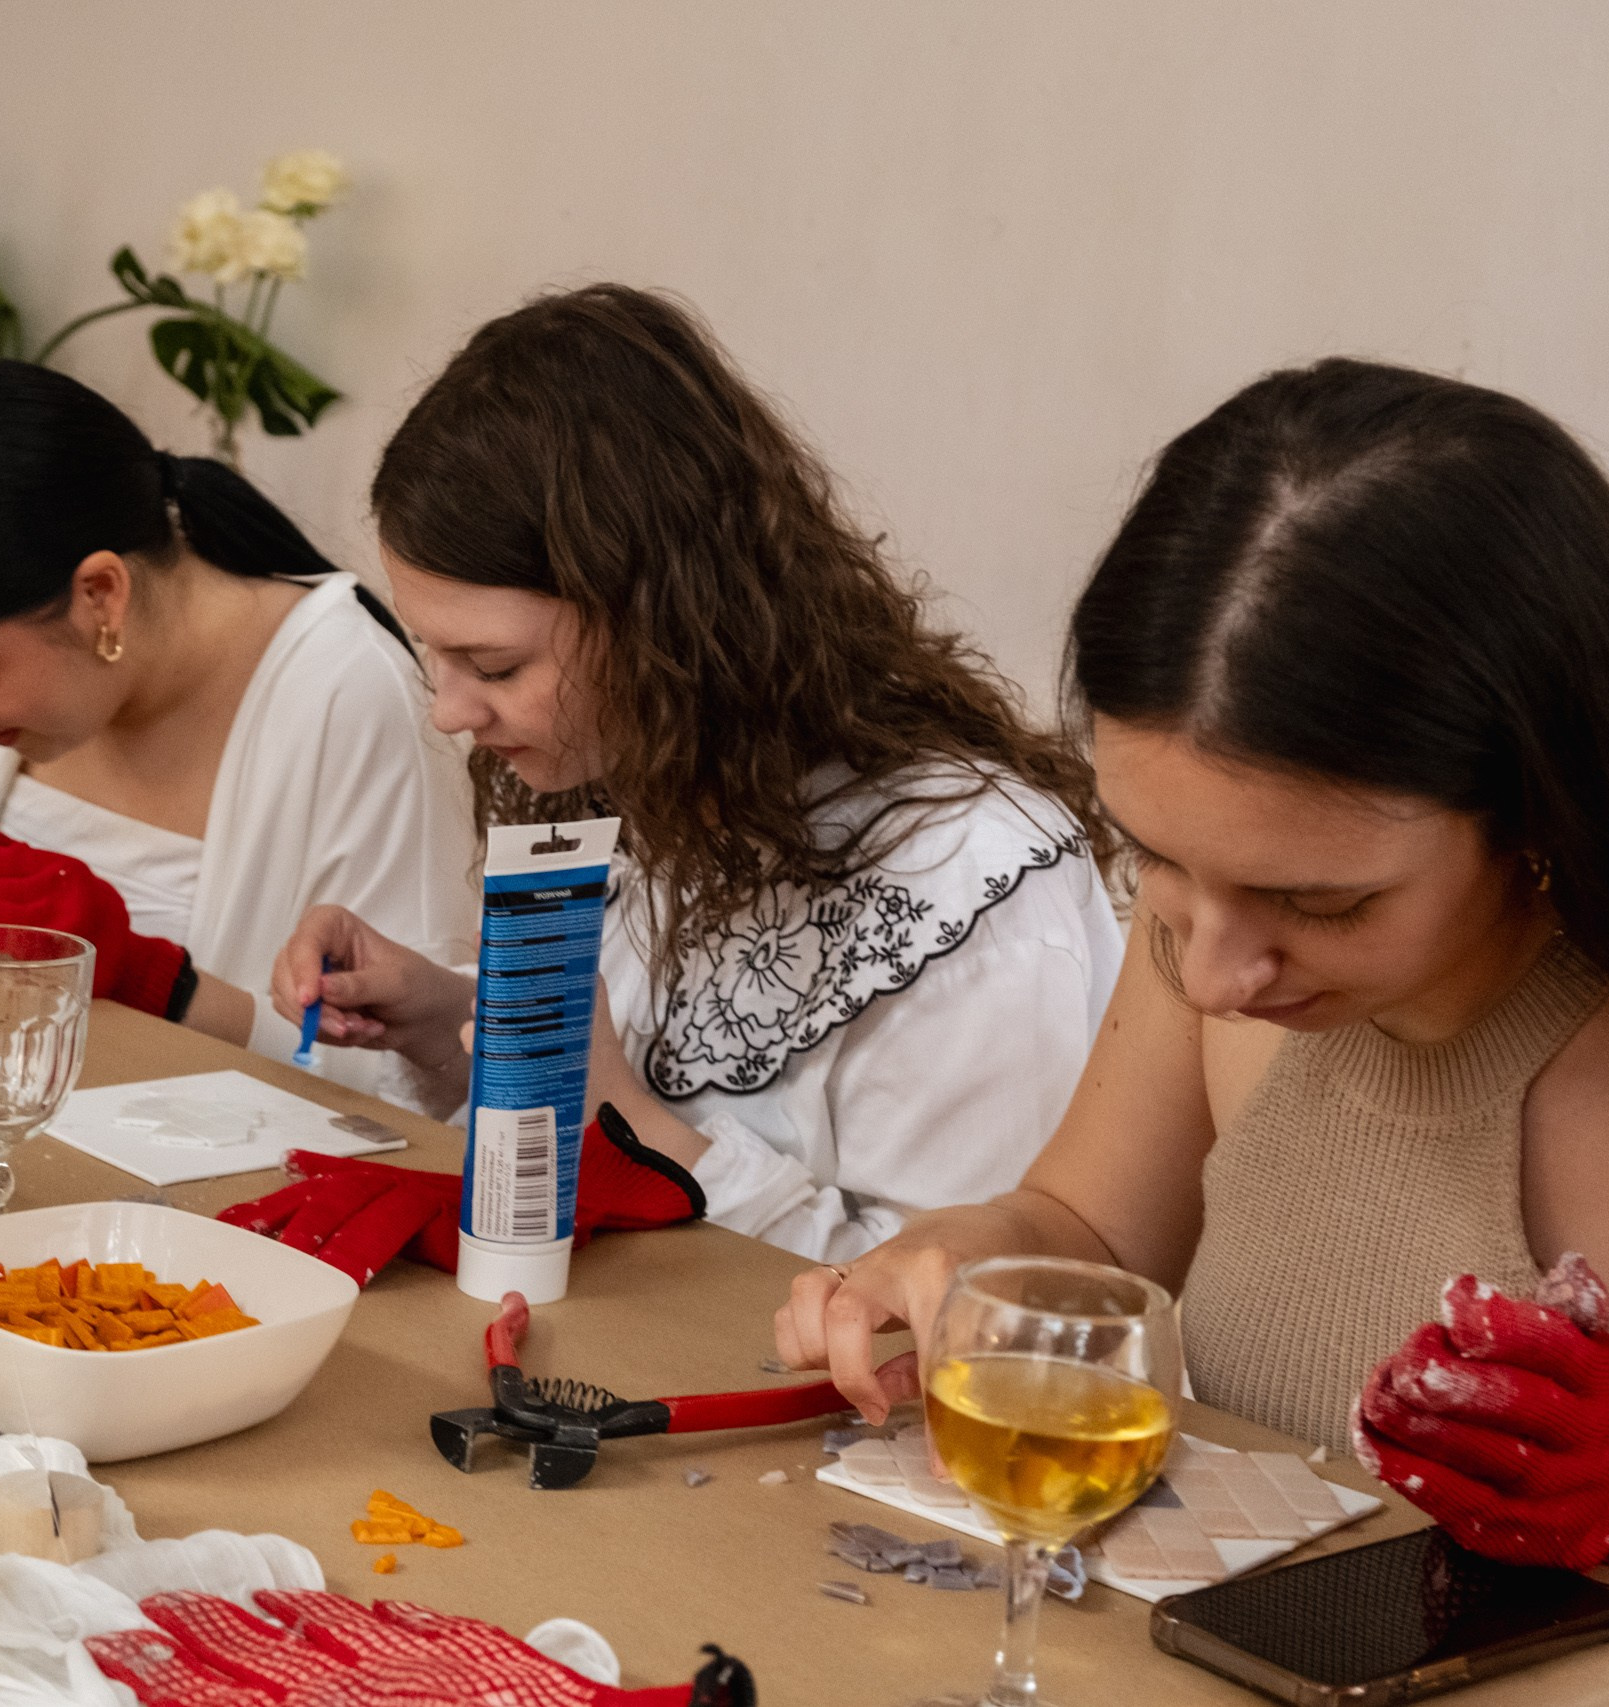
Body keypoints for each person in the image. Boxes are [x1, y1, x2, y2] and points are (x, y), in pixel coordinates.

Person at [774, 359, 1609, 1574]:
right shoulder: (1211, 936)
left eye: (1318, 902)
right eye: (1157, 860)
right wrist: (967, 1261)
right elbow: (1089, 1229)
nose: (1213, 977)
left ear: (1535, 808)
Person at [270, 286, 1124, 1264]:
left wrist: (638, 1130)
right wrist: (447, 1017)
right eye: (434, 653)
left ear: (664, 626)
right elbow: (650, 1059)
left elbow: (970, 1305)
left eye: (496, 667)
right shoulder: (649, 772)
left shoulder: (970, 892)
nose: (449, 712)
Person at [0, 357, 476, 1095]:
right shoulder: (34, 653)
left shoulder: (346, 694)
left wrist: (158, 983)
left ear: (100, 593)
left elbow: (407, 1078)